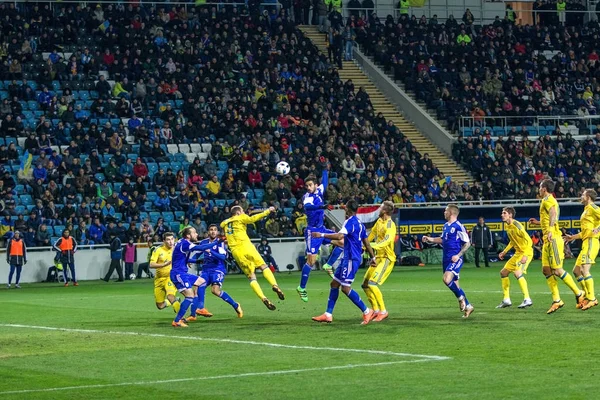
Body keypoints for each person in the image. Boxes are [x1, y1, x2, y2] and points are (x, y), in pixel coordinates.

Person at [312, 199, 377, 325]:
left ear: (348, 209)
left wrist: (321, 235)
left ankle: (366, 310)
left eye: (345, 208)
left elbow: (340, 237)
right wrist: (373, 258)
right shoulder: (360, 223)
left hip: (351, 259)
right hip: (349, 258)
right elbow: (367, 243)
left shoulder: (350, 222)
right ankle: (328, 314)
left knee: (345, 288)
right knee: (334, 284)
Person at [529, 179, 585, 314]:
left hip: (553, 238)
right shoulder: (547, 200)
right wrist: (539, 223)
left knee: (557, 270)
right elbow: (549, 216)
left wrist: (548, 230)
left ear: (544, 188)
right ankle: (557, 300)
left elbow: (553, 214)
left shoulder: (548, 200)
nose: (538, 189)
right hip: (548, 239)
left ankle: (579, 293)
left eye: (540, 187)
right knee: (546, 270)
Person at [220, 206, 285, 310]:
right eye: (242, 211)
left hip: (236, 252)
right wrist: (268, 211)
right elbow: (252, 219)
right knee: (263, 266)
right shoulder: (240, 217)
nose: (243, 212)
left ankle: (263, 298)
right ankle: (275, 285)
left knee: (251, 276)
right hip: (246, 246)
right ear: (238, 212)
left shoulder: (225, 223)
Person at [297, 168, 344, 302]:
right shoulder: (307, 198)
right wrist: (322, 206)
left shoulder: (319, 190)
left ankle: (328, 265)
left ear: (315, 185)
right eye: (306, 186)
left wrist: (324, 168)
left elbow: (324, 180)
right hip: (312, 232)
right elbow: (309, 208)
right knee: (311, 261)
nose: (308, 188)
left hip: (322, 229)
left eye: (310, 185)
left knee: (342, 241)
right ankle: (301, 287)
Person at [423, 204, 474, 318]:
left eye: (446, 211)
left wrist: (458, 255)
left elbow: (467, 243)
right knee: (456, 286)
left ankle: (461, 299)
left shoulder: (458, 226)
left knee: (446, 279)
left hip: (455, 259)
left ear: (451, 212)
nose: (444, 212)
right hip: (446, 259)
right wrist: (429, 239)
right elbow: (442, 239)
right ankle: (469, 306)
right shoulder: (446, 225)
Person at [190, 224, 243, 318]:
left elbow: (223, 257)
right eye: (211, 230)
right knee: (197, 287)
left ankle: (235, 305)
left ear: (217, 232)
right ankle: (196, 313)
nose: (213, 231)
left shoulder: (220, 242)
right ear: (208, 232)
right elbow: (197, 254)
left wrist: (211, 251)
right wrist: (190, 261)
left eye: (215, 230)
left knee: (215, 291)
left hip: (217, 269)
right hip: (206, 270)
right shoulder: (203, 242)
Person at [170, 227, 216, 327]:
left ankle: (198, 308)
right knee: (189, 296)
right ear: (188, 235)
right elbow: (200, 248)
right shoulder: (185, 243)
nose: (196, 234)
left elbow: (180, 258)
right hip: (178, 274)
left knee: (201, 282)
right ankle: (177, 321)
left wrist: (196, 261)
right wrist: (217, 242)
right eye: (194, 233)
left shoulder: (182, 242)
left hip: (183, 273)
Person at [565, 189, 600, 311]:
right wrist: (572, 237)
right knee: (576, 271)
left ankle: (592, 299)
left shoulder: (593, 207)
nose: (581, 196)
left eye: (583, 195)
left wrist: (598, 228)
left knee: (585, 269)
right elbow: (585, 232)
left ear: (589, 197)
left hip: (591, 241)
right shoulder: (586, 210)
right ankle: (586, 294)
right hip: (586, 241)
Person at [362, 201, 397, 322]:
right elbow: (371, 234)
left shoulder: (390, 225)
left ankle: (383, 311)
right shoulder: (379, 222)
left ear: (385, 211)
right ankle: (375, 310)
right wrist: (363, 244)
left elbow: (386, 242)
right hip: (378, 257)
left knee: (372, 283)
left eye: (380, 208)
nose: (378, 209)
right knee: (365, 285)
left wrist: (372, 246)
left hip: (387, 258)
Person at [496, 207, 533, 309]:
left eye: (504, 213)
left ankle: (527, 299)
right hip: (518, 253)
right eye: (502, 213)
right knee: (503, 273)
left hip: (526, 252)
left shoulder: (517, 225)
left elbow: (529, 241)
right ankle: (506, 300)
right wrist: (504, 251)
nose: (502, 215)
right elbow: (512, 241)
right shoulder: (508, 226)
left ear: (510, 215)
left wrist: (525, 255)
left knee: (517, 272)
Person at [149, 232, 181, 315]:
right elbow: (151, 264)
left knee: (170, 296)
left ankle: (180, 318)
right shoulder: (158, 250)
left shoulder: (177, 249)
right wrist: (163, 264)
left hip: (171, 277)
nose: (170, 242)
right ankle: (175, 301)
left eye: (172, 239)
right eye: (168, 240)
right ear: (164, 241)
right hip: (159, 279)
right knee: (160, 305)